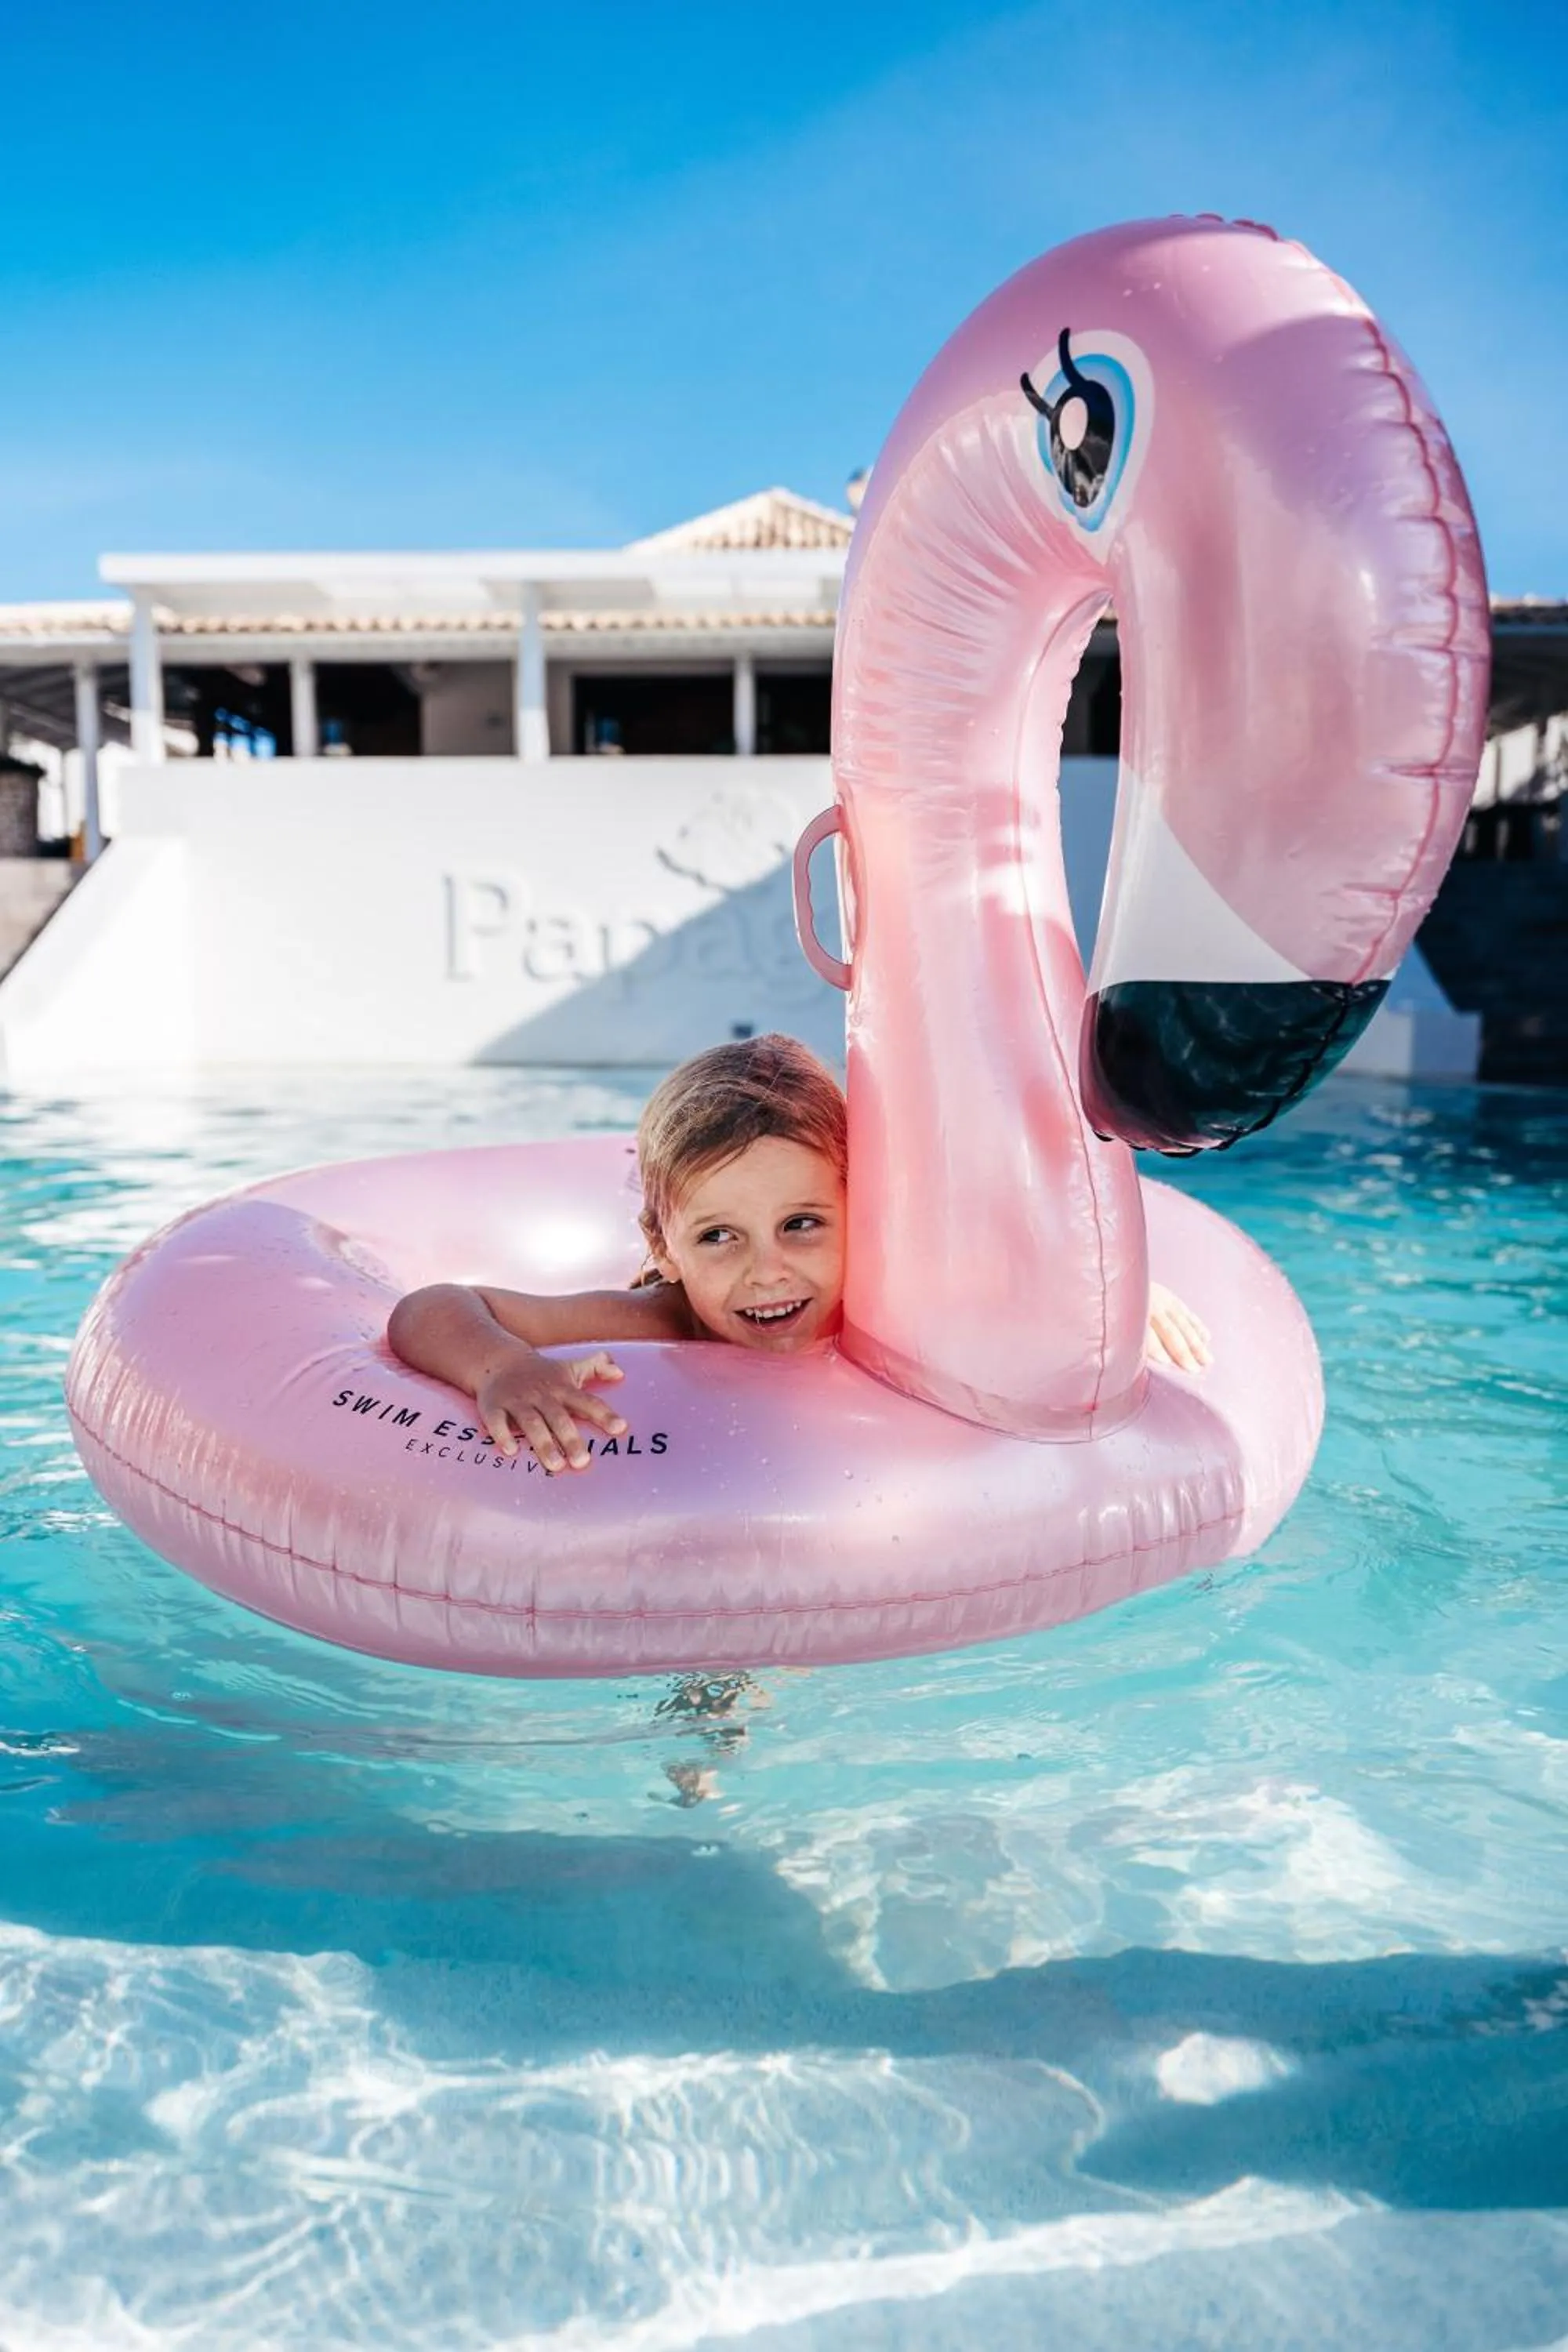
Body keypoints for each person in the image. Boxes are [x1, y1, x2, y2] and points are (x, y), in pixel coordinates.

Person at [386, 1033, 1210, 1475]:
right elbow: (432, 1308)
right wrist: (502, 1368)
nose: (766, 1270)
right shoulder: (654, 1320)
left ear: (865, 1211)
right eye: (717, 1237)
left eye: (802, 1224)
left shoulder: (897, 1296)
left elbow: (1019, 1259)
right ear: (660, 1248)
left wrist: (1110, 1298)